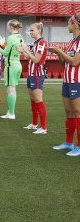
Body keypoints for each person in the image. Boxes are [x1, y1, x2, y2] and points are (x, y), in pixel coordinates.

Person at [48, 15, 80, 156]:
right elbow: (64, 63)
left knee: (77, 112)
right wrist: (58, 53)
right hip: (67, 81)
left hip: (76, 81)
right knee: (68, 111)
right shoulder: (71, 41)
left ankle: (79, 146)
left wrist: (60, 52)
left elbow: (74, 62)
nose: (67, 25)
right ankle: (68, 142)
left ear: (75, 24)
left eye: (69, 23)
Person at [17, 22, 48, 134]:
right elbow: (29, 58)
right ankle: (34, 124)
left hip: (37, 75)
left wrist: (26, 49)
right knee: (33, 100)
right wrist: (23, 51)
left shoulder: (42, 42)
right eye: (30, 30)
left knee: (38, 100)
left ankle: (43, 127)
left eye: (32, 30)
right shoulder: (36, 43)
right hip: (31, 74)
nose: (30, 32)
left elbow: (36, 59)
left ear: (38, 31)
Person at [0, 19, 23, 120]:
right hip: (17, 64)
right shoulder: (20, 36)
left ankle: (11, 113)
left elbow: (5, 53)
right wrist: (3, 44)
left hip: (11, 65)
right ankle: (10, 111)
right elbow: (12, 49)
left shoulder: (11, 37)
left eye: (7, 26)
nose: (6, 28)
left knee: (11, 90)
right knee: (12, 89)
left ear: (10, 27)